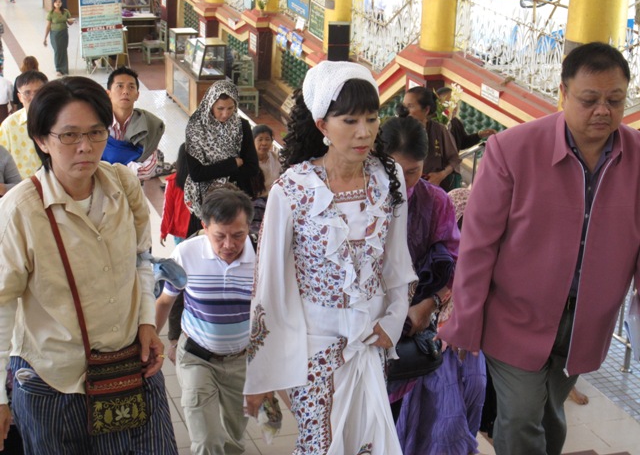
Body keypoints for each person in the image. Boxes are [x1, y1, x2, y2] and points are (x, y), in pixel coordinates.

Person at [439, 42, 640, 455]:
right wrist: (465, 318)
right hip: (515, 315)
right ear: (563, 93)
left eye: (615, 100)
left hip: (586, 322)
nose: (603, 111)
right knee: (520, 414)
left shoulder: (637, 158)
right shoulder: (512, 150)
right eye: (589, 99)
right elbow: (479, 244)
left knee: (549, 412)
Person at [243, 61, 416, 454]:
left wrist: (393, 320)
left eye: (371, 119)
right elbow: (268, 285)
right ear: (322, 124)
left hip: (370, 342)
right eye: (350, 120)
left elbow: (397, 262)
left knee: (368, 441)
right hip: (312, 349)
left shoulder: (388, 179)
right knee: (319, 445)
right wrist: (262, 373)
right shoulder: (292, 189)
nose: (364, 132)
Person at [0, 76, 178, 453]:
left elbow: (141, 258)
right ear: (42, 140)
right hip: (54, 385)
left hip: (129, 367)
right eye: (69, 135)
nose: (85, 147)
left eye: (96, 133)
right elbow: (2, 304)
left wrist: (147, 321)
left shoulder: (123, 185)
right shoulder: (19, 211)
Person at [376, 111, 485, 455]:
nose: (404, 181)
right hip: (361, 328)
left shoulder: (436, 201)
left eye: (413, 171)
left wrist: (430, 303)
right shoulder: (356, 200)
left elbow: (451, 259)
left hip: (411, 324)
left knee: (398, 421)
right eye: (394, 170)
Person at [156, 188, 255, 455]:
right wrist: (155, 340)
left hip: (241, 360)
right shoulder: (186, 253)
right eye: (219, 236)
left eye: (238, 235)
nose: (229, 245)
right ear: (205, 226)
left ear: (249, 226)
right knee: (206, 440)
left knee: (234, 439)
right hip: (196, 357)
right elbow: (166, 302)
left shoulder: (262, 257)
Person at [184, 79, 259, 235]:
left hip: (236, 200)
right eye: (220, 108)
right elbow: (197, 173)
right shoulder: (196, 129)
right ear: (210, 104)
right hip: (205, 201)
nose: (226, 114)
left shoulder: (242, 126)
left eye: (230, 108)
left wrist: (213, 170)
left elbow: (252, 168)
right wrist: (232, 164)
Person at [102, 66, 165, 180]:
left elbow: (148, 169)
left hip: (133, 187)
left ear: (137, 95)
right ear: (108, 93)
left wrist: (110, 171)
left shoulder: (149, 124)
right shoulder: (98, 122)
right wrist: (130, 166)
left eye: (131, 87)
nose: (125, 91)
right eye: (120, 86)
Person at [402, 86, 461, 191]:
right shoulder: (398, 129)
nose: (405, 111)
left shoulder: (439, 130)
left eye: (410, 106)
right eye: (404, 106)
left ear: (426, 110)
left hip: (432, 188)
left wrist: (441, 175)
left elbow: (454, 159)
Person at [0, 70, 48, 178]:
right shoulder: (9, 126)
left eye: (38, 92)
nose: (33, 97)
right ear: (20, 97)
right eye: (27, 93)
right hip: (22, 185)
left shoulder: (58, 120)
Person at [436, 86, 497, 150]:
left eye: (455, 103)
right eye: (448, 103)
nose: (454, 107)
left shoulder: (455, 122)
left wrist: (480, 135)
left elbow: (463, 143)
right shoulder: (433, 125)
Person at [160, 143, 190, 247]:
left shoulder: (173, 181)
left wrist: (163, 231)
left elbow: (167, 209)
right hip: (200, 230)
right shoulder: (204, 181)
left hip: (180, 230)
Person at [43, 0, 75, 77]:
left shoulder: (65, 12)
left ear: (61, 3)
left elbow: (69, 22)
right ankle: (58, 69)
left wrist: (71, 21)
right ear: (53, 3)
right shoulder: (51, 13)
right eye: (56, 2)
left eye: (59, 2)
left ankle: (64, 69)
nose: (58, 3)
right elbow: (48, 26)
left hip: (64, 33)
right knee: (57, 51)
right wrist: (45, 38)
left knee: (63, 50)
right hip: (55, 34)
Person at [252, 124, 281, 196]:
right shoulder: (248, 162)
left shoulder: (275, 157)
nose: (264, 143)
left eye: (267, 139)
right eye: (260, 140)